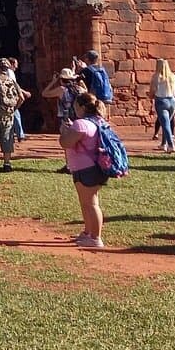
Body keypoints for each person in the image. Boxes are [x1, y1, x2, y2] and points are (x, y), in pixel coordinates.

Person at [60, 91, 108, 248]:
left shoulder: (81, 124)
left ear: (81, 107)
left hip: (86, 167)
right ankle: (88, 233)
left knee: (91, 203)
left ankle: (96, 238)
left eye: (75, 106)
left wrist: (64, 131)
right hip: (94, 166)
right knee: (86, 202)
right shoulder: (99, 121)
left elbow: (66, 143)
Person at [42, 68, 84, 174]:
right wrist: (79, 80)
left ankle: (69, 165)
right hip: (78, 118)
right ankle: (79, 164)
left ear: (61, 79)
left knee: (67, 143)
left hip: (66, 118)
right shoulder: (79, 89)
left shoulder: (61, 89)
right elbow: (87, 92)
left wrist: (53, 81)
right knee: (79, 142)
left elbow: (45, 93)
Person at [150, 58, 175, 153]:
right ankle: (163, 144)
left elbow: (152, 91)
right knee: (165, 123)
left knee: (165, 124)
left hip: (161, 101)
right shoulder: (173, 76)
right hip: (172, 101)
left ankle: (171, 145)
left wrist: (151, 96)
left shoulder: (156, 77)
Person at [5, 58, 30, 142]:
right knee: (14, 114)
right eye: (15, 64)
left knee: (14, 114)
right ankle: (19, 135)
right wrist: (23, 92)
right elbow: (14, 84)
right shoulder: (10, 72)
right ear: (11, 64)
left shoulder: (7, 72)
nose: (17, 66)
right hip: (10, 96)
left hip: (7, 96)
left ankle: (18, 135)